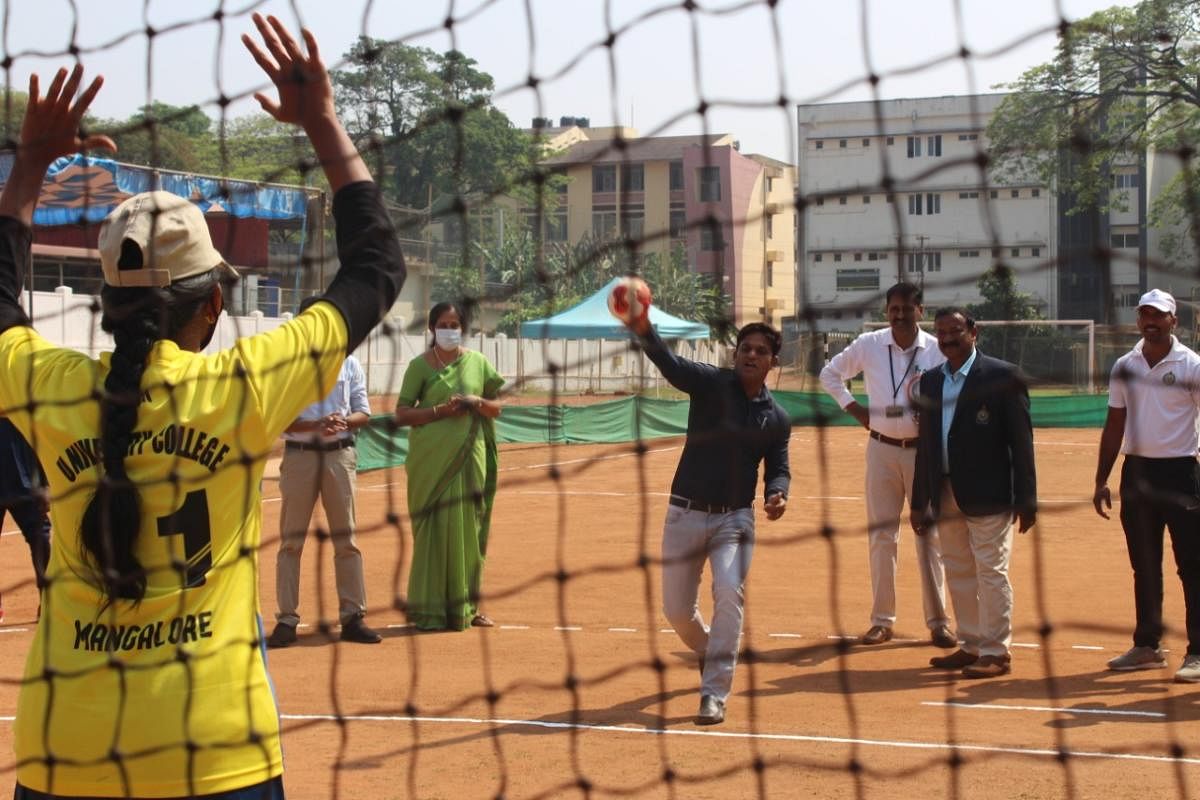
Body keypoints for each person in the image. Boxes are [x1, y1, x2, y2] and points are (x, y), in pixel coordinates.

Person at [0, 14, 404, 799]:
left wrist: (29, 168)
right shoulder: (244, 389)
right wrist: (320, 117)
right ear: (213, 304)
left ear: (105, 303)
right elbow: (376, 266)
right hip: (214, 750)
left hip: (65, 749)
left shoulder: (51, 387)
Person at [621, 306, 790, 726]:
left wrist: (777, 493)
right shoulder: (712, 384)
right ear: (735, 355)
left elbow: (779, 466)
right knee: (676, 610)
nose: (751, 355)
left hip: (734, 520)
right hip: (684, 513)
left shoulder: (776, 418)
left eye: (760, 351)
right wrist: (645, 330)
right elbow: (672, 365)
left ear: (773, 362)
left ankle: (714, 693)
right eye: (745, 349)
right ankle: (708, 649)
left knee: (729, 593)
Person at [818, 282, 953, 648]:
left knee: (929, 535)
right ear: (886, 311)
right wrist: (855, 409)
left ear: (920, 311)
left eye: (907, 308)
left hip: (923, 454)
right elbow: (829, 375)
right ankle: (882, 621)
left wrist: (938, 419)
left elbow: (959, 388)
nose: (899, 314)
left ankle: (939, 622)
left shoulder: (937, 350)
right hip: (880, 450)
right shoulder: (869, 345)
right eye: (893, 308)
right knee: (881, 537)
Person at [911, 308, 1036, 679]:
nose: (947, 338)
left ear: (973, 332)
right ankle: (971, 643)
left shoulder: (1002, 376)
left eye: (955, 331)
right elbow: (927, 446)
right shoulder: (931, 381)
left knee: (991, 572)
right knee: (958, 569)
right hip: (945, 491)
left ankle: (996, 652)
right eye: (941, 333)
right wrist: (920, 501)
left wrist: (1027, 499)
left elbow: (1022, 442)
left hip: (991, 493)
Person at [1093, 289, 1200, 682]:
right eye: (1145, 315)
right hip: (1136, 474)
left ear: (1174, 320)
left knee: (1192, 565)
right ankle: (1147, 646)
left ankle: (1198, 652)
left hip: (1181, 474)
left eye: (1159, 315)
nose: (1151, 321)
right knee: (1145, 565)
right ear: (1138, 320)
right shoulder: (1125, 365)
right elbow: (1115, 423)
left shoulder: (1191, 364)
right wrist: (1101, 478)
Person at [267, 297, 380, 648]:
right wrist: (316, 423)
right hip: (299, 455)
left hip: (339, 456)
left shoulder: (349, 363)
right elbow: (277, 420)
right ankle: (286, 620)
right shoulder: (286, 365)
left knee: (346, 540)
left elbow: (364, 412)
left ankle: (353, 616)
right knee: (290, 541)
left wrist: (343, 420)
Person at [393, 301, 504, 631]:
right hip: (430, 462)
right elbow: (401, 413)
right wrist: (440, 411)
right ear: (431, 328)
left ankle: (468, 607)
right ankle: (428, 611)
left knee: (470, 530)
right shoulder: (419, 367)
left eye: (455, 324)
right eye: (443, 324)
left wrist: (477, 403)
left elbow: (497, 407)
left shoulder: (478, 362)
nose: (449, 330)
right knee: (432, 532)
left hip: (470, 458)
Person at [0, 416, 52, 622]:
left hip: (24, 481)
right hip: (22, 481)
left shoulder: (20, 393)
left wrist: (44, 483)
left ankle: (48, 600)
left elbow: (38, 436)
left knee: (40, 538)